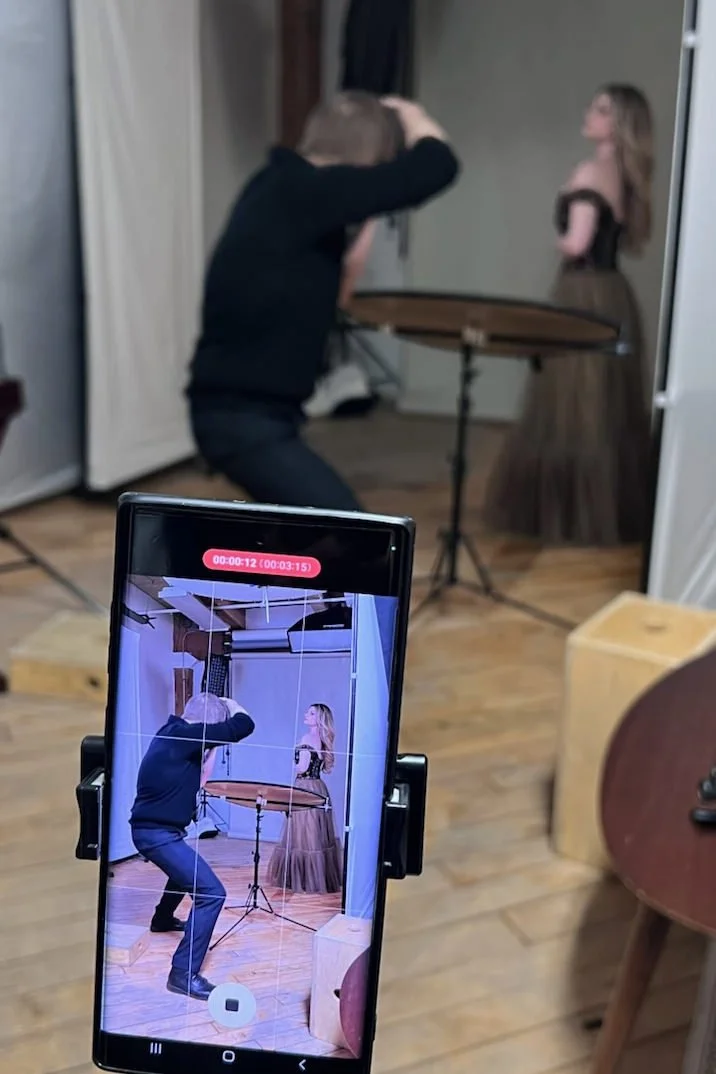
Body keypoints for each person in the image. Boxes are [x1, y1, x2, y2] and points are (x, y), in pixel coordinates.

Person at [187, 92, 460, 512]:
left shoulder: (278, 186)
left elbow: (339, 291)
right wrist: (414, 117)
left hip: (252, 414)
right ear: (375, 155)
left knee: (311, 539)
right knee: (350, 538)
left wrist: (369, 210)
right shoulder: (311, 192)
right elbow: (438, 167)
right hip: (242, 419)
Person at [484, 85, 654, 546]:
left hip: (581, 292)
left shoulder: (590, 171)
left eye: (600, 110)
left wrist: (560, 236)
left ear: (618, 123)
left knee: (570, 405)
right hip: (614, 294)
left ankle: (563, 514)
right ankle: (606, 511)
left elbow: (577, 244)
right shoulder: (626, 174)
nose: (589, 115)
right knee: (604, 408)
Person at [129, 693, 255, 1001]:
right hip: (155, 834)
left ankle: (162, 919)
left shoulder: (173, 733)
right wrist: (234, 705)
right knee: (212, 894)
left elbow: (201, 781)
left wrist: (210, 747)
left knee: (185, 870)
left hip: (158, 831)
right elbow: (244, 726)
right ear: (208, 723)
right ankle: (183, 974)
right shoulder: (186, 734)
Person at [268, 703, 342, 894]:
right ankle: (317, 878)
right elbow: (324, 767)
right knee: (314, 835)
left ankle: (300, 879)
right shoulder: (323, 740)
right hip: (319, 787)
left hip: (304, 787)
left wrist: (294, 761)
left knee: (302, 833)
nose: (306, 715)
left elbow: (301, 768)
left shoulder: (307, 738)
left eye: (311, 713)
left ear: (319, 719)